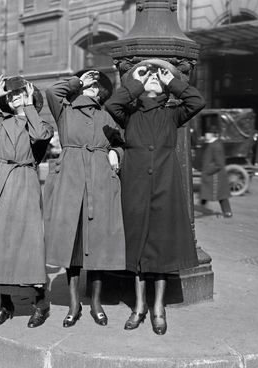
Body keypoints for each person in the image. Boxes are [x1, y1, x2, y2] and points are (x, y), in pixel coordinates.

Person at [106, 59, 205, 335]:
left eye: (156, 78)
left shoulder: (173, 113)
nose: (151, 79)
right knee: (138, 248)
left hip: (164, 185)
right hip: (135, 186)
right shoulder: (130, 113)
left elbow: (197, 101)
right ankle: (139, 307)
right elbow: (111, 105)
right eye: (146, 78)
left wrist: (172, 81)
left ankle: (158, 308)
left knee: (160, 248)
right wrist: (134, 84)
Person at [0, 75, 54, 328]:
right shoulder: (2, 122)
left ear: (30, 98)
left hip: (24, 182)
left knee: (28, 243)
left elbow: (40, 135)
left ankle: (40, 303)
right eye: (11, 95)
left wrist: (27, 108)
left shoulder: (40, 124)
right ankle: (5, 305)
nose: (14, 98)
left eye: (20, 94)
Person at [44, 70, 125, 328]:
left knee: (98, 245)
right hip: (71, 182)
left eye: (95, 86)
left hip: (99, 183)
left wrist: (115, 153)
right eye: (87, 85)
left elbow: (124, 142)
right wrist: (77, 81)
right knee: (72, 247)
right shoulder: (65, 111)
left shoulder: (107, 115)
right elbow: (51, 92)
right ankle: (73, 304)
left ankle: (96, 303)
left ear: (102, 92)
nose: (91, 89)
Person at [199, 130, 232, 217]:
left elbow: (219, 164)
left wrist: (207, 171)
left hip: (215, 175)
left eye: (206, 133)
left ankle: (227, 211)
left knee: (221, 195)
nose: (205, 135)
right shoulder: (212, 144)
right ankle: (201, 207)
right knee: (208, 193)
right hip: (213, 174)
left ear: (211, 135)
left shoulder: (216, 145)